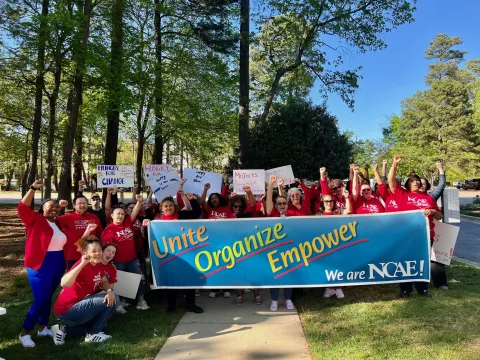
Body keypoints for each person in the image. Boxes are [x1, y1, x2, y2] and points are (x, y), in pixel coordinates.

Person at [18, 180, 67, 348]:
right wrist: (32, 189)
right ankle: (25, 332)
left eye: (56, 207)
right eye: (50, 206)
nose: (54, 209)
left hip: (57, 264)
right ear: (42, 208)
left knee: (48, 298)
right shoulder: (35, 220)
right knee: (41, 299)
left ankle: (42, 327)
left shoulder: (57, 222)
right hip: (40, 265)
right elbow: (22, 208)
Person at [142, 184, 203, 314]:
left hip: (185, 253)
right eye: (166, 206)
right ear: (161, 208)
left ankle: (190, 304)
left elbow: (197, 213)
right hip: (168, 255)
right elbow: (147, 236)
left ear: (174, 207)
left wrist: (192, 200)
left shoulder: (181, 215)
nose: (168, 207)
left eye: (170, 205)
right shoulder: (157, 221)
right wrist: (145, 225)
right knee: (170, 280)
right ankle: (171, 306)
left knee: (188, 278)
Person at [388, 156, 443, 298]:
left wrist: (433, 211)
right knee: (405, 261)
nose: (416, 182)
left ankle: (422, 289)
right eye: (413, 181)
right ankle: (405, 289)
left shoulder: (429, 198)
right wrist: (394, 164)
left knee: (422, 262)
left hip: (426, 235)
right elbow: (391, 181)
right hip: (407, 235)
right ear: (407, 184)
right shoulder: (402, 195)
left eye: (418, 181)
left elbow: (439, 217)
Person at [51, 235, 118, 345]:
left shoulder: (98, 265)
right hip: (67, 309)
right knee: (113, 301)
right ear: (86, 253)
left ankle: (63, 329)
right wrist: (82, 263)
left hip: (82, 305)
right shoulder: (82, 265)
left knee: (103, 325)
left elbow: (104, 281)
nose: (98, 253)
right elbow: (64, 283)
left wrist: (110, 291)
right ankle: (92, 335)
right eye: (94, 251)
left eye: (99, 250)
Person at [102, 189, 149, 310]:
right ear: (112, 215)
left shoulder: (127, 222)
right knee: (116, 282)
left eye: (122, 214)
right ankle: (118, 303)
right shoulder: (108, 230)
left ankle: (141, 301)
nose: (120, 216)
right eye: (118, 214)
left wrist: (139, 202)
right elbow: (106, 250)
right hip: (118, 261)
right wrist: (109, 263)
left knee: (141, 278)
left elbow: (134, 212)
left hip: (132, 259)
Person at [229, 186, 263, 305]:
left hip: (250, 246)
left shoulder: (248, 214)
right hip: (234, 248)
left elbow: (253, 204)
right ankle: (240, 295)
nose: (238, 208)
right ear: (231, 206)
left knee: (253, 270)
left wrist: (249, 191)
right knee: (238, 272)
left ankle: (256, 294)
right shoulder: (227, 216)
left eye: (240, 206)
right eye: (235, 206)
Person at [265, 175, 295, 311]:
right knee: (275, 276)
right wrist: (271, 184)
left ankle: (288, 299)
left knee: (289, 275)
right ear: (276, 206)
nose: (282, 205)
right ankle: (275, 300)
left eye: (284, 203)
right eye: (279, 204)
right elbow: (269, 201)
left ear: (287, 205)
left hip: (290, 250)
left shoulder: (293, 216)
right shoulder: (272, 214)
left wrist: (281, 188)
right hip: (274, 250)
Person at [419, 162, 449, 290]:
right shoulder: (406, 197)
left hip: (430, 232)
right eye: (418, 183)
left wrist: (440, 170)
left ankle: (440, 282)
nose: (420, 186)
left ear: (427, 186)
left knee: (435, 258)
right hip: (413, 234)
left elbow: (441, 186)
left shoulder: (430, 197)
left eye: (423, 184)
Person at [317, 189, 352, 300]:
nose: (329, 203)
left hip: (337, 245)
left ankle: (337, 288)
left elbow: (348, 211)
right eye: (326, 201)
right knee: (327, 267)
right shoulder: (318, 216)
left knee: (337, 266)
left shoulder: (337, 213)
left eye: (331, 201)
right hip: (324, 246)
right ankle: (329, 287)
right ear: (322, 203)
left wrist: (346, 197)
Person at [59, 194, 103, 270]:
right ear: (74, 205)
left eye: (85, 203)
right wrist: (59, 206)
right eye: (79, 203)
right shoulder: (65, 218)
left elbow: (100, 235)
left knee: (90, 277)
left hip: (91, 255)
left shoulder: (94, 217)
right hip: (73, 255)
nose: (82, 205)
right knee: (74, 279)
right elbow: (49, 219)